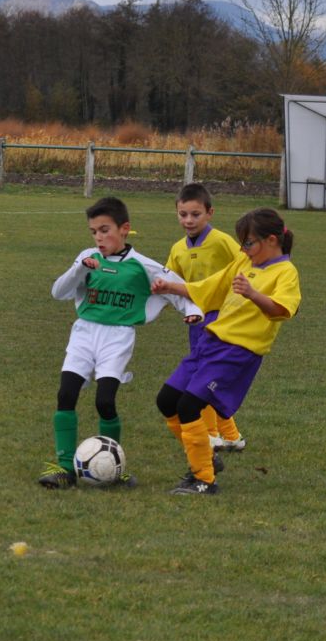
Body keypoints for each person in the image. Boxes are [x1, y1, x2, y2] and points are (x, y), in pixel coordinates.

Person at [37, 196, 202, 489]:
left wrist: (193, 311)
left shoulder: (142, 265)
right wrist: (80, 269)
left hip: (117, 338)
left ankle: (114, 469)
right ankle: (64, 468)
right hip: (84, 333)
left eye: (105, 230)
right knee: (66, 394)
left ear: (124, 228)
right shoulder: (88, 257)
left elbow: (178, 289)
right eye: (94, 232)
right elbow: (58, 292)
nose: (99, 238)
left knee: (105, 401)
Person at [152, 208, 301, 496]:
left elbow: (282, 310)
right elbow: (211, 287)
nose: (243, 249)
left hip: (236, 353)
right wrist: (171, 287)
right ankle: (205, 458)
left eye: (248, 243)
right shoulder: (244, 261)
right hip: (209, 343)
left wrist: (253, 294)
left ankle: (204, 480)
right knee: (167, 400)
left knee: (189, 406)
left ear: (271, 240)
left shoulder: (286, 272)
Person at [166, 183, 247, 453]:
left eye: (195, 214)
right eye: (183, 214)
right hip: (197, 320)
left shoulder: (222, 241)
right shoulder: (178, 248)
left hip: (222, 318)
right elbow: (171, 281)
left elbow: (246, 263)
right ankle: (231, 435)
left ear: (210, 213)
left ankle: (211, 434)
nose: (188, 220)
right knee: (207, 376)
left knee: (204, 377)